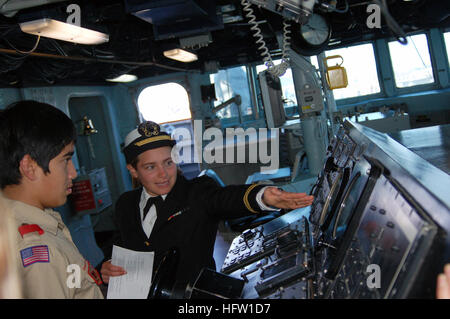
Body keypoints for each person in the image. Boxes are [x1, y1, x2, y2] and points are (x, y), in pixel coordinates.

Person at [101, 120, 314, 291]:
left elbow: (225, 198)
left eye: (168, 162)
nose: (163, 174)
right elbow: (118, 247)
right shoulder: (125, 204)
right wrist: (107, 265)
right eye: (150, 167)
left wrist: (263, 196)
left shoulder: (197, 192)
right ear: (133, 170)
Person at [0, 100, 103, 299]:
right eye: (66, 160)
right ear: (29, 166)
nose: (73, 173)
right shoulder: (38, 252)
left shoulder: (24, 224)